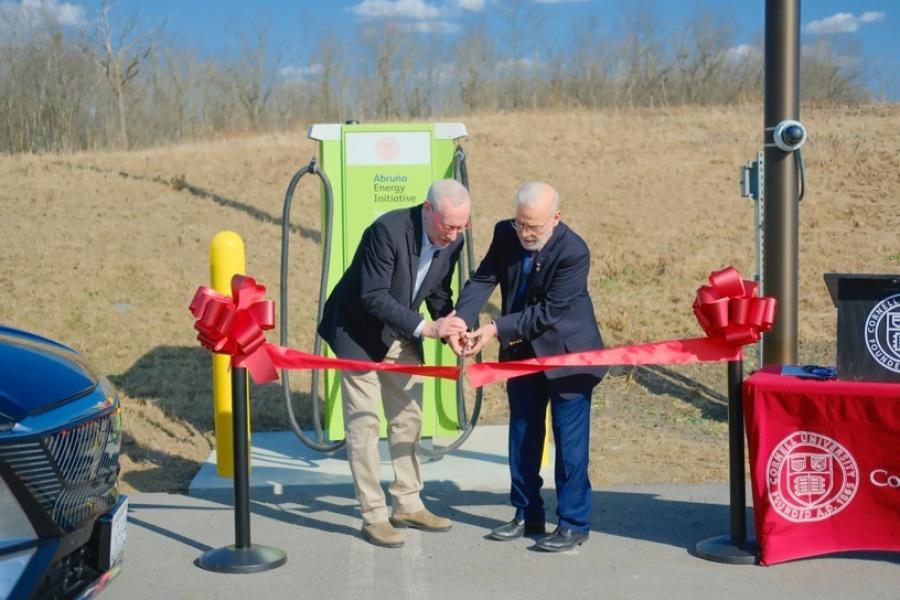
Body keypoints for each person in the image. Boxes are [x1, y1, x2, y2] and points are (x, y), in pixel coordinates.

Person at [451, 181, 606, 552]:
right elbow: (484, 277)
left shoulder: (574, 251)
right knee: (522, 435)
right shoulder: (506, 233)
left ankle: (573, 522)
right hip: (521, 354)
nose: (525, 233)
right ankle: (526, 513)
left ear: (556, 218)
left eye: (534, 227)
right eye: (521, 223)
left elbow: (549, 313)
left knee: (569, 446)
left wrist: (493, 329)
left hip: (568, 356)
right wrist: (461, 318)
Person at [317, 179, 471, 548]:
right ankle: (373, 514)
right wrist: (426, 326)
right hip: (355, 331)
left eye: (461, 226)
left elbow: (436, 290)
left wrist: (450, 327)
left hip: (400, 331)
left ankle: (408, 503)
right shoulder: (387, 230)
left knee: (408, 418)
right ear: (428, 209)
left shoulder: (455, 240)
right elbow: (372, 295)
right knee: (365, 424)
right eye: (448, 225)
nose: (453, 235)